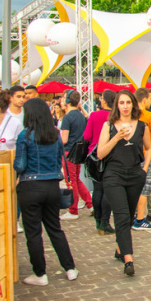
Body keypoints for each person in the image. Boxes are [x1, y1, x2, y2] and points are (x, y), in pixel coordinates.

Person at [13, 98, 77, 286]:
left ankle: (40, 274)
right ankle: (70, 268)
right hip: (52, 186)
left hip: (30, 186)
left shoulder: (24, 136)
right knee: (55, 228)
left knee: (33, 232)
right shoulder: (55, 135)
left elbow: (20, 165)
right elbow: (59, 161)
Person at [98, 90, 151, 277]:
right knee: (121, 216)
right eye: (121, 103)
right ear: (117, 106)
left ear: (133, 105)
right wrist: (117, 137)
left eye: (128, 102)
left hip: (135, 175)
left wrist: (144, 169)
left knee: (128, 216)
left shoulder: (142, 126)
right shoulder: (109, 126)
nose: (125, 106)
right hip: (114, 175)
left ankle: (119, 247)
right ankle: (128, 259)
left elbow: (149, 148)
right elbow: (100, 153)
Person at [84, 90, 116, 235]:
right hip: (111, 155)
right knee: (108, 190)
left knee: (97, 189)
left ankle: (98, 222)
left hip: (94, 155)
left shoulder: (94, 115)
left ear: (103, 101)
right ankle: (105, 222)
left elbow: (87, 135)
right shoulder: (115, 116)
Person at [133, 88, 151, 230]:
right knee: (147, 189)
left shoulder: (130, 115)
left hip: (133, 156)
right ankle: (140, 219)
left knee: (135, 188)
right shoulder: (149, 116)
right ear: (144, 99)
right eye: (150, 99)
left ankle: (134, 216)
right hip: (149, 157)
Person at [59, 91, 91, 221]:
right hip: (78, 152)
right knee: (76, 179)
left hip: (68, 153)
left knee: (70, 181)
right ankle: (90, 203)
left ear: (67, 101)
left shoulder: (67, 117)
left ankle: (73, 210)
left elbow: (64, 139)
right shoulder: (80, 116)